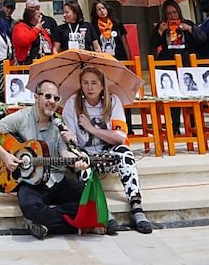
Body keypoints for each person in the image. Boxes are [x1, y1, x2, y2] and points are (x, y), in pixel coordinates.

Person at [0, 79, 96, 240]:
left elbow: (64, 154)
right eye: (48, 96)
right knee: (30, 206)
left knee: (88, 198)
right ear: (36, 97)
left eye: (56, 99)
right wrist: (5, 156)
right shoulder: (22, 117)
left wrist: (76, 159)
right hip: (29, 182)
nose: (52, 102)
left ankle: (44, 223)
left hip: (55, 179)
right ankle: (71, 225)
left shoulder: (59, 125)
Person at [62, 66, 152, 234]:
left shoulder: (113, 101)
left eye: (94, 83)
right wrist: (70, 138)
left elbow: (119, 137)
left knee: (125, 153)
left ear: (102, 85)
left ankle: (136, 207)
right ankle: (104, 212)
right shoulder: (72, 104)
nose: (90, 88)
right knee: (81, 160)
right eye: (85, 83)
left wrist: (92, 129)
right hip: (85, 154)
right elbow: (72, 143)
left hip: (107, 153)